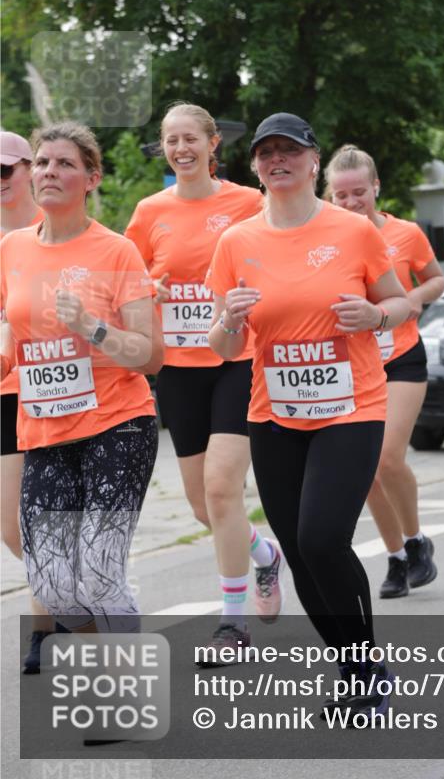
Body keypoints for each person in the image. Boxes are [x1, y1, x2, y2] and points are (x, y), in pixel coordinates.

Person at [207, 113, 410, 721]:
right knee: (297, 549)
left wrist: (375, 318)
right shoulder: (236, 242)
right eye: (266, 153)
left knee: (323, 537)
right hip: (273, 415)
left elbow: (399, 300)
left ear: (313, 162)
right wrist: (229, 324)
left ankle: (367, 665)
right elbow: (220, 347)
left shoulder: (353, 232)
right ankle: (351, 667)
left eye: (289, 151)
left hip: (351, 408)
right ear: (256, 168)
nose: (278, 161)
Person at [125, 103, 284, 651]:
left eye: (191, 138)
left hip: (239, 359)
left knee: (222, 488)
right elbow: (127, 283)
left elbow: (278, 258)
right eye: (171, 140)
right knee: (202, 505)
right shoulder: (148, 211)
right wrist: (150, 290)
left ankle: (232, 621)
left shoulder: (247, 202)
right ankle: (265, 555)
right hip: (178, 369)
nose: (180, 149)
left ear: (214, 144)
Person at [0, 121, 162, 633]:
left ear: (91, 179)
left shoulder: (116, 252)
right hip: (45, 431)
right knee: (51, 585)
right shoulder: (13, 250)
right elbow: (10, 339)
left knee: (97, 573)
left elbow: (150, 356)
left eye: (65, 163)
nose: (50, 171)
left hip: (117, 426)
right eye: (44, 161)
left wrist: (91, 328)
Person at [324, 145, 444, 599]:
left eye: (360, 192)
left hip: (402, 359)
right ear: (329, 195)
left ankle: (416, 543)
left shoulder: (405, 233)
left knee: (387, 457)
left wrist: (412, 299)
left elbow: (435, 278)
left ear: (376, 188)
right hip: (353, 365)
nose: (352, 203)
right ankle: (396, 557)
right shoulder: (324, 240)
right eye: (341, 195)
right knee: (365, 473)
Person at [0, 131, 54, 672]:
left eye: (4, 172)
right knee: (11, 527)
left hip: (48, 389)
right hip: (4, 388)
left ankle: (47, 627)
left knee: (39, 519)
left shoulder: (51, 230)